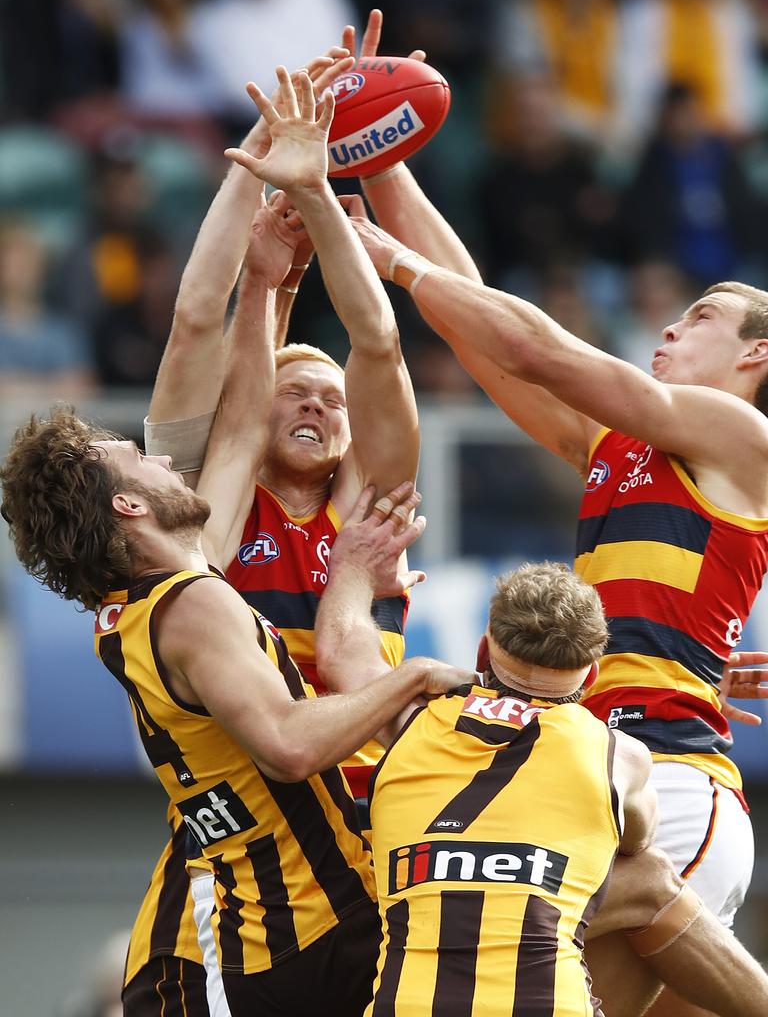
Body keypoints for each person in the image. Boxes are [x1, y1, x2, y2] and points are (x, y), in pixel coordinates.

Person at [347, 173, 768, 1017]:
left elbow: (539, 348)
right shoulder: (621, 442)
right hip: (602, 776)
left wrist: (396, 262)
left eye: (702, 317)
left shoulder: (741, 433)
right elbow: (484, 335)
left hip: (673, 786)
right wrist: (386, 168)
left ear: (757, 355)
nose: (669, 325)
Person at [0, 403, 466, 1017]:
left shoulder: (139, 608)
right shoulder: (192, 605)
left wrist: (350, 569)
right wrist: (415, 674)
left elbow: (242, 427)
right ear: (129, 505)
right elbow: (289, 745)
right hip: (291, 932)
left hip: (300, 925)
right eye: (141, 458)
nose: (165, 459)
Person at [121, 46, 365, 1015]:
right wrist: (257, 162)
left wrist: (374, 160)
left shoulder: (372, 504)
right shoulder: (194, 511)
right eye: (290, 389)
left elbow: (381, 345)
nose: (311, 405)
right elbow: (196, 323)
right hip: (244, 839)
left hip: (351, 824)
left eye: (327, 394)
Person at [311, 502, 768, 1017]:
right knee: (650, 876)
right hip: (548, 1006)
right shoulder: (619, 758)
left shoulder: (411, 722)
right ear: (592, 678)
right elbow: (634, 841)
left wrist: (350, 564)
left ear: (483, 653)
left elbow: (342, 649)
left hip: (405, 1003)